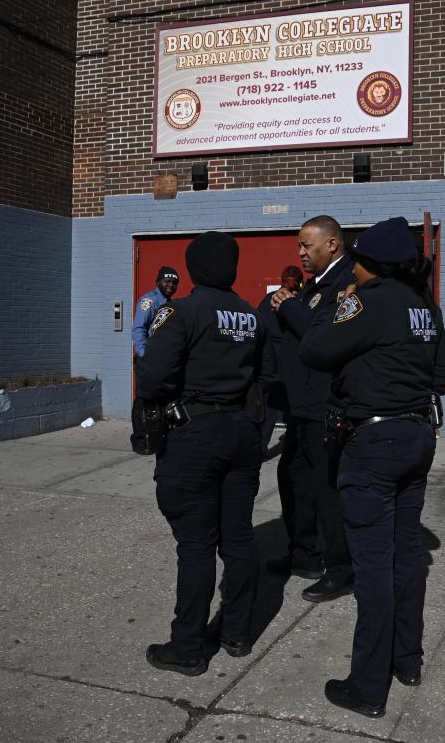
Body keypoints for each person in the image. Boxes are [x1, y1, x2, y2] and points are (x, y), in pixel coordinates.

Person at [299, 216, 445, 718]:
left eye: (358, 264)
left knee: (372, 568)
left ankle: (367, 687)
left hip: (374, 444)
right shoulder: (423, 308)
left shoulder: (366, 301)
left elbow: (315, 349)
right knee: (404, 557)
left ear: (369, 265)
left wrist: (338, 306)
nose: (354, 271)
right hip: (416, 438)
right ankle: (406, 660)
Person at [136, 232, 274, 676]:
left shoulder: (179, 311)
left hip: (195, 435)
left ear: (194, 268)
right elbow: (267, 375)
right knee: (237, 537)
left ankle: (189, 646)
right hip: (241, 433)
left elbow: (155, 378)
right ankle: (236, 632)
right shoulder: (252, 316)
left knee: (196, 545)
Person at [267, 216, 355, 599]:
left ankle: (340, 568)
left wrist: (288, 307)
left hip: (325, 406)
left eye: (307, 245)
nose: (300, 253)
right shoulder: (314, 285)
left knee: (326, 490)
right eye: (299, 246)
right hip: (300, 406)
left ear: (332, 245)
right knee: (293, 480)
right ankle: (304, 554)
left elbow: (322, 332)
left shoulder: (346, 281)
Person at [255, 265, 303, 454]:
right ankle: (293, 443)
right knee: (288, 401)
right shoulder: (296, 301)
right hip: (287, 353)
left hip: (267, 354)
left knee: (269, 404)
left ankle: (260, 446)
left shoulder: (268, 299)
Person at [133, 265, 180, 358]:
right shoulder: (150, 300)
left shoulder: (171, 303)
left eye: (174, 282)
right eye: (167, 281)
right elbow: (139, 328)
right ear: (158, 282)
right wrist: (143, 354)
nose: (171, 285)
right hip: (151, 356)